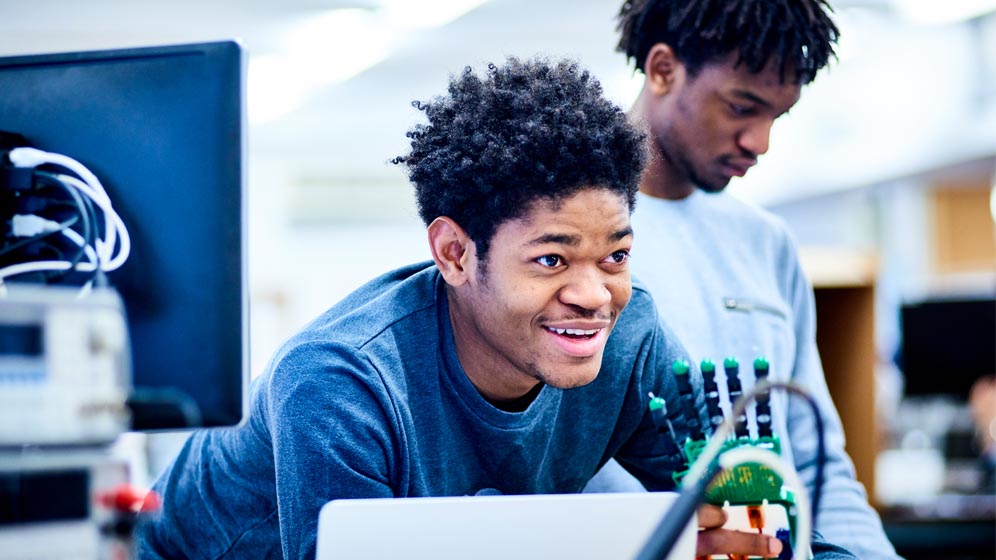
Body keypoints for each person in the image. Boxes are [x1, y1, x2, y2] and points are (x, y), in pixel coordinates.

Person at [136, 57, 835, 559]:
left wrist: (740, 529)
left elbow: (717, 504)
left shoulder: (632, 339)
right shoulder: (336, 382)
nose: (595, 297)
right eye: (551, 260)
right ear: (455, 254)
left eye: (615, 257)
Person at [585, 1, 902, 559]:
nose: (760, 142)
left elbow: (812, 461)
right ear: (663, 69)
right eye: (741, 107)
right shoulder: (566, 243)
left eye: (776, 117)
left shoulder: (767, 243)